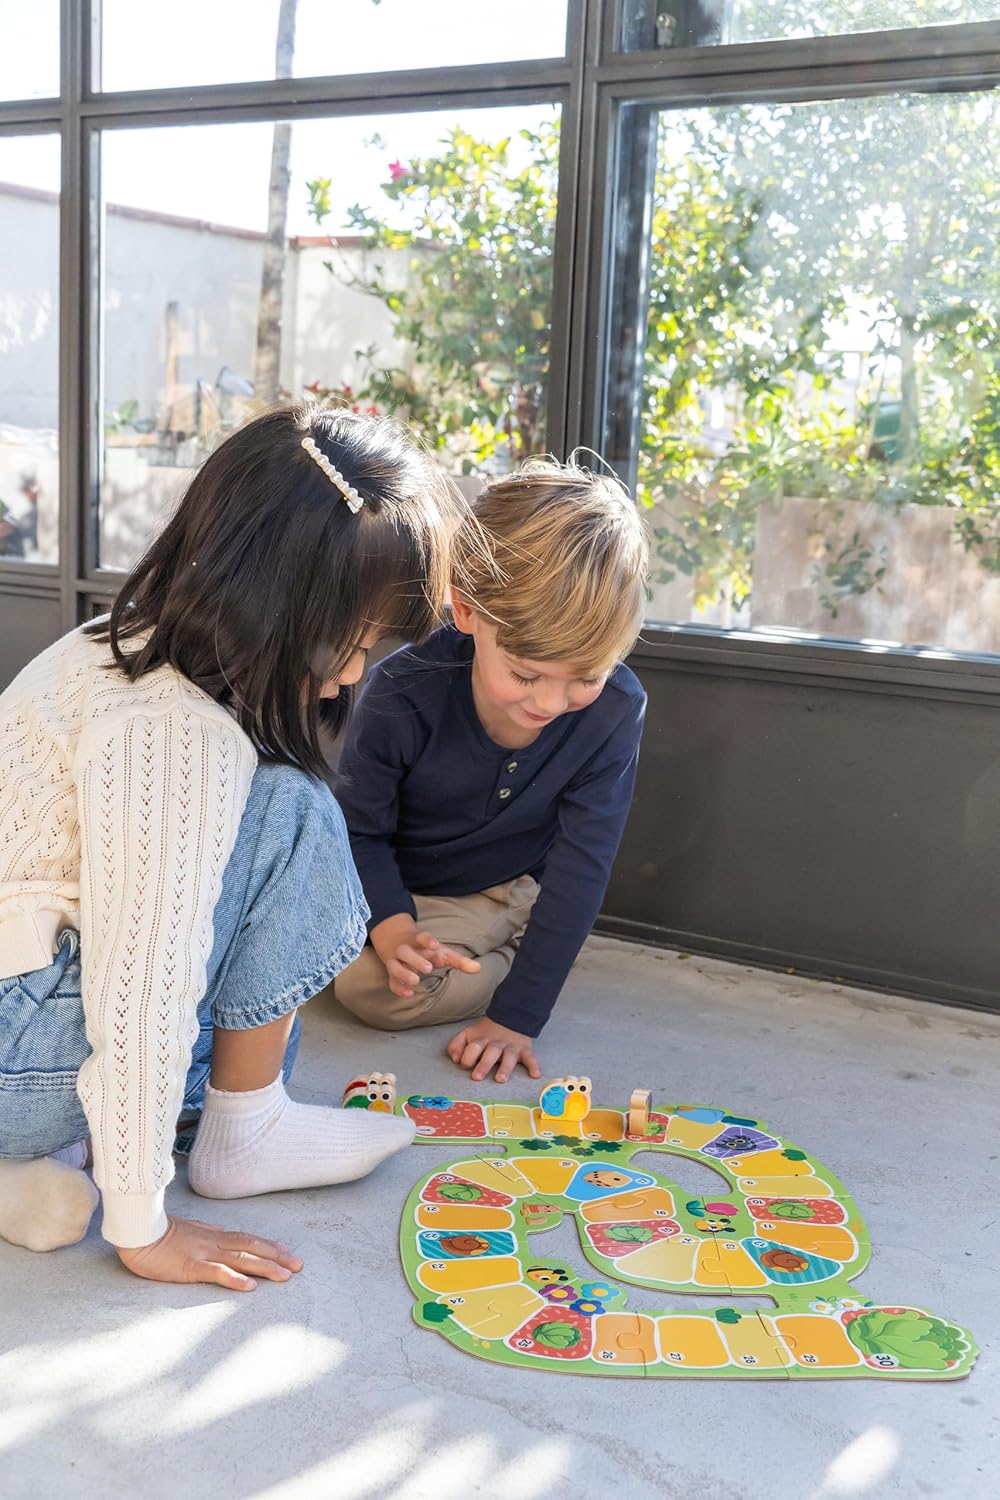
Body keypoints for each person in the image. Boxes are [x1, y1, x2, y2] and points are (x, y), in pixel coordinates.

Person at [0, 403, 461, 1289]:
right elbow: (143, 987)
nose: (354, 673)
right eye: (352, 642)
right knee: (293, 814)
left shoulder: (121, 643)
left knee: (248, 1005)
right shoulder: (172, 730)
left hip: (17, 1021)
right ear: (277, 604)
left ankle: (41, 1166)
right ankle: (238, 1134)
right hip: (15, 1053)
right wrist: (143, 1228)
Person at [334, 457, 648, 1084]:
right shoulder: (402, 692)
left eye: (585, 677)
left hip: (496, 889)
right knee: (300, 960)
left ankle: (516, 953)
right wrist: (394, 928)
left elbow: (582, 867)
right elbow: (358, 833)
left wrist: (516, 1016)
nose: (551, 703)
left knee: (371, 991)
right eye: (527, 675)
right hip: (392, 881)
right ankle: (507, 949)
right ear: (466, 612)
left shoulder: (615, 709)